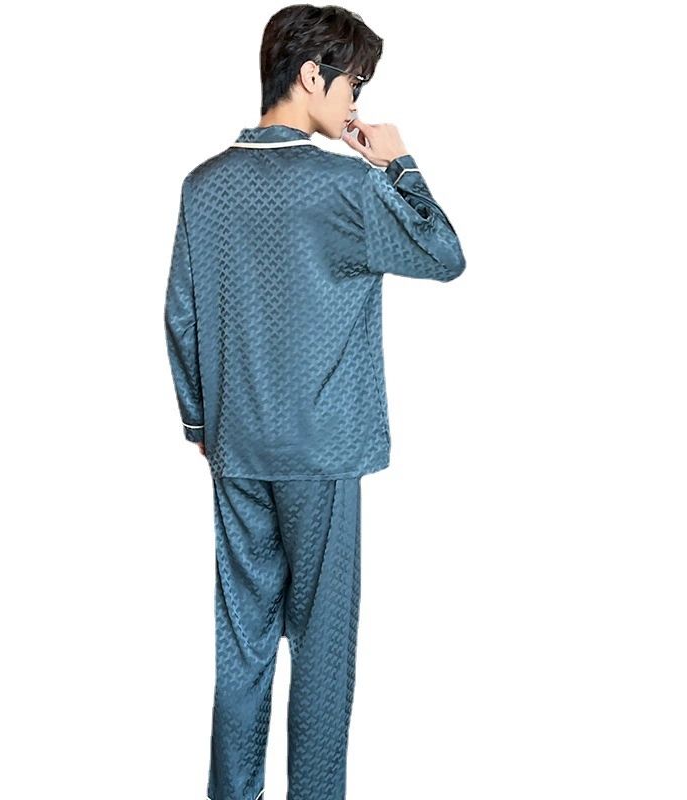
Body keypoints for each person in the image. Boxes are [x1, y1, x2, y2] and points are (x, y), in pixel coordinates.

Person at [164, 6, 466, 799]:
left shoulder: (203, 186)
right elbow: (445, 255)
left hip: (235, 450)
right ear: (311, 76)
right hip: (325, 452)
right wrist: (398, 164)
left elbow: (181, 316)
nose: (356, 101)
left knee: (243, 643)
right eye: (353, 83)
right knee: (323, 651)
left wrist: (203, 424)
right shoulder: (348, 187)